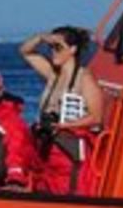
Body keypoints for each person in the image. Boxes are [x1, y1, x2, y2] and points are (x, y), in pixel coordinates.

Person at [20, 26, 105, 195]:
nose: (53, 52)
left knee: (67, 191)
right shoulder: (53, 75)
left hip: (68, 150)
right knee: (42, 186)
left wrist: (65, 125)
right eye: (51, 48)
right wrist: (42, 37)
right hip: (47, 146)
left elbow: (96, 117)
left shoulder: (84, 78)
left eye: (58, 48)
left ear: (72, 49)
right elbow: (26, 52)